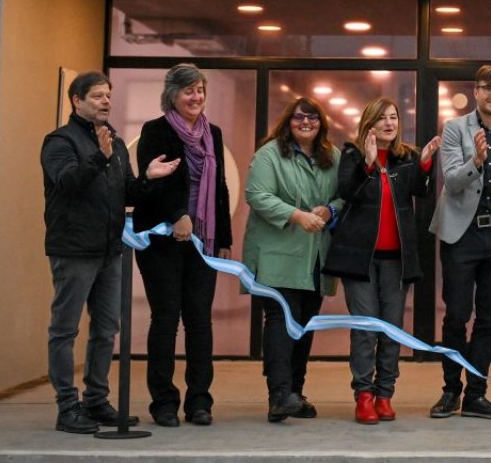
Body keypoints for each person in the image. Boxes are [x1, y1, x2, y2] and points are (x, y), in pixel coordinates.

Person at [41, 71, 177, 434]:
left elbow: (126, 192)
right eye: (98, 96)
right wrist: (98, 158)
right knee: (65, 329)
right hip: (74, 249)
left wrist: (148, 178)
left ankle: (96, 400)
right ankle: (67, 406)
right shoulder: (59, 142)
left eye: (108, 96)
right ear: (77, 101)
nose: (106, 102)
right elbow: (67, 183)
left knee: (106, 329)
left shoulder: (114, 143)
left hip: (109, 249)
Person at [323, 98, 442, 425]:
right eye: (382, 118)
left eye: (394, 117)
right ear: (369, 123)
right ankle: (363, 396)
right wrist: (368, 162)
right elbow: (347, 191)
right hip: (359, 261)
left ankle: (385, 395)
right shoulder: (352, 154)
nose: (389, 123)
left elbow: (421, 191)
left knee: (391, 330)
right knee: (366, 329)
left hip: (396, 262)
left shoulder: (407, 157)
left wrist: (426, 164)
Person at [133, 63, 233, 428]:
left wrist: (222, 238)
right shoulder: (155, 130)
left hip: (202, 241)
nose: (196, 97)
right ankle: (163, 403)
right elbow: (153, 180)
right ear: (172, 95)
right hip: (161, 239)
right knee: (165, 319)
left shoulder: (212, 133)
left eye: (201, 90)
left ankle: (199, 402)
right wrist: (177, 215)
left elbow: (219, 187)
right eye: (189, 91)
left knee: (199, 321)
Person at [428, 64, 491, 420]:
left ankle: (476, 394)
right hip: (461, 234)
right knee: (456, 315)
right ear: (476, 91)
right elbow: (453, 182)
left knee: (489, 319)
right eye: (488, 88)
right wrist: (477, 161)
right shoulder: (455, 128)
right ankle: (450, 390)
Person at [244, 96, 343, 424]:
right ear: (288, 122)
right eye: (299, 117)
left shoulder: (333, 157)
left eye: (313, 118)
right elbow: (257, 195)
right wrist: (297, 216)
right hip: (277, 255)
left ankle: (295, 394)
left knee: (304, 325)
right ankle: (278, 395)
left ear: (321, 124)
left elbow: (346, 195)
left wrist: (330, 210)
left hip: (314, 258)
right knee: (280, 321)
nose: (306, 123)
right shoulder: (269, 154)